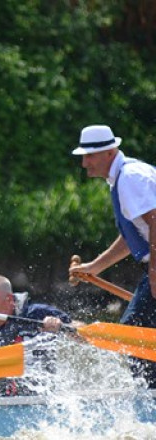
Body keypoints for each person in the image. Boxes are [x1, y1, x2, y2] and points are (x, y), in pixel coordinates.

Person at [67, 124, 156, 383]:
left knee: (134, 336)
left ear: (109, 152)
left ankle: (149, 398)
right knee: (138, 336)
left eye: (89, 156)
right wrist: (95, 267)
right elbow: (132, 236)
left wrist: (154, 273)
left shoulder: (129, 178)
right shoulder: (121, 179)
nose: (84, 163)